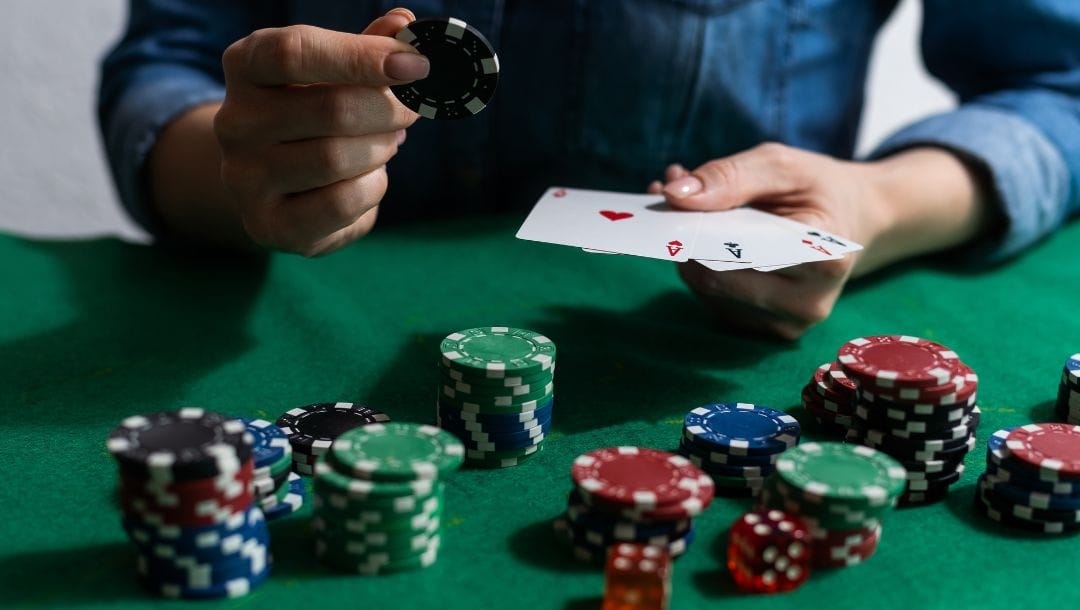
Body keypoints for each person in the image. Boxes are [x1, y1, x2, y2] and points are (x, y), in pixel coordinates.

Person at [98, 2, 1080, 339]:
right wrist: (236, 171)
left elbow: (1060, 83)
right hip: (288, 329)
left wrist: (878, 203)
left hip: (687, 344)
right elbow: (165, 66)